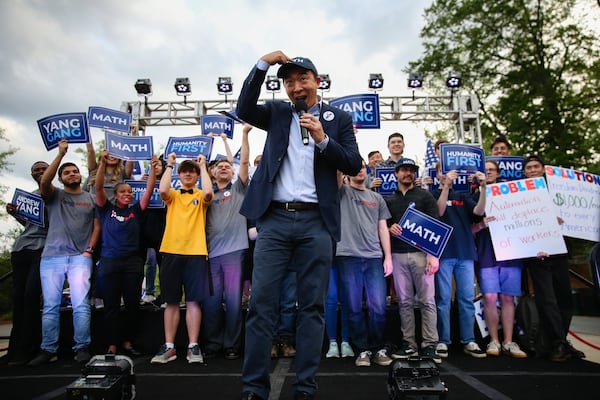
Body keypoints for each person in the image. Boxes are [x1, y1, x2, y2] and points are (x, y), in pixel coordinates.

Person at [236, 50, 362, 400]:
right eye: (289, 82)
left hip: (316, 223)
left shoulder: (339, 118)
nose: (295, 86)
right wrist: (262, 64)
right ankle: (253, 389)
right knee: (261, 304)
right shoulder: (276, 113)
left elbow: (353, 163)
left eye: (302, 79)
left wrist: (323, 138)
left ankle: (305, 388)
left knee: (312, 308)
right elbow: (244, 109)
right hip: (274, 220)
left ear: (317, 83)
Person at [28, 140, 101, 366]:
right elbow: (44, 180)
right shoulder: (54, 195)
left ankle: (82, 347)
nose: (72, 174)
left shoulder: (90, 197)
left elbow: (97, 225)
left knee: (80, 305)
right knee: (50, 305)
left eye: (75, 171)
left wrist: (89, 249)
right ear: (61, 179)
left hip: (81, 258)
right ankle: (49, 349)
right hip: (52, 257)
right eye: (67, 173)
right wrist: (60, 155)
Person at [150, 153, 213, 365]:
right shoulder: (174, 196)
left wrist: (203, 166)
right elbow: (163, 190)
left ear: (196, 175)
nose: (188, 173)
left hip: (196, 253)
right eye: (184, 171)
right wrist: (169, 165)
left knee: (194, 301)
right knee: (172, 301)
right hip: (171, 251)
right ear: (179, 174)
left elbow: (209, 192)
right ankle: (169, 347)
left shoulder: (201, 195)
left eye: (192, 171)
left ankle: (193, 346)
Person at [521, 155, 585, 362]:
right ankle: (557, 343)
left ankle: (561, 340)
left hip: (558, 251)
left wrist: (561, 219)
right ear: (524, 172)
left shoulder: (558, 193)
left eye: (536, 166)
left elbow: (573, 216)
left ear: (543, 169)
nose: (532, 170)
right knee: (546, 299)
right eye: (528, 167)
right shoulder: (518, 196)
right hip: (537, 254)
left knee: (565, 298)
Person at [94, 150, 157, 355]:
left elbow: (148, 190)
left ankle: (128, 342)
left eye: (130, 191)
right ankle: (112, 345)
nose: (127, 194)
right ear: (116, 195)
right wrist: (102, 163)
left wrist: (153, 168)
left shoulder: (136, 211)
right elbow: (98, 186)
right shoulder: (106, 209)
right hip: (109, 262)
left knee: (132, 306)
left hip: (132, 264)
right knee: (111, 306)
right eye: (123, 191)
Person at [335, 162, 393, 367]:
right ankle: (362, 350)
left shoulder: (377, 198)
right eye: (355, 166)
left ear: (368, 172)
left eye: (363, 167)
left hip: (374, 258)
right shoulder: (341, 191)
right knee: (353, 307)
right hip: (347, 256)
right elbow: (337, 169)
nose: (360, 170)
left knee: (378, 306)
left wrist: (388, 257)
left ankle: (378, 348)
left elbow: (383, 229)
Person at [384, 158, 442, 364]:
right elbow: (384, 226)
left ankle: (430, 345)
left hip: (421, 255)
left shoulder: (425, 196)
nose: (408, 173)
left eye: (411, 170)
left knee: (427, 301)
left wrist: (432, 255)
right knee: (405, 302)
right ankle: (409, 343)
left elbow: (436, 225)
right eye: (404, 170)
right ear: (396, 174)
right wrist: (390, 228)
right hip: (398, 255)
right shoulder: (389, 200)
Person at [202, 124, 251, 360]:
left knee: (233, 302)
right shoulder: (206, 195)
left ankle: (231, 345)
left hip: (234, 253)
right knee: (211, 302)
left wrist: (243, 134)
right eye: (219, 166)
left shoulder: (239, 190)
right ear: (212, 173)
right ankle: (212, 344)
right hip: (210, 254)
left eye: (227, 166)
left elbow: (242, 164)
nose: (224, 168)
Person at [471, 160, 527, 358]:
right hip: (486, 254)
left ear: (498, 173)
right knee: (489, 297)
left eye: (491, 170)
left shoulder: (513, 196)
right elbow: (469, 229)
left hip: (511, 254)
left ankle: (509, 341)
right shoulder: (475, 197)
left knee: (508, 298)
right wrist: (481, 225)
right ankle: (493, 340)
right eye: (484, 171)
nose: (488, 173)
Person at [433, 164, 488, 359]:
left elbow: (479, 212)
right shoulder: (432, 194)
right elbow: (438, 212)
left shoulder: (462, 195)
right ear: (438, 173)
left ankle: (468, 340)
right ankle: (443, 340)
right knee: (443, 298)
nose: (448, 174)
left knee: (466, 299)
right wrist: (446, 187)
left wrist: (483, 188)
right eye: (443, 171)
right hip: (443, 253)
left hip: (465, 252)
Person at [1, 161, 49, 366]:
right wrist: (16, 214)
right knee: (19, 299)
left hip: (44, 249)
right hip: (21, 249)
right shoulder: (28, 196)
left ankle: (29, 349)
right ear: (31, 175)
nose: (39, 172)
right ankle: (13, 351)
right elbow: (31, 224)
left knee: (31, 296)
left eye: (43, 168)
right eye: (36, 170)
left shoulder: (56, 195)